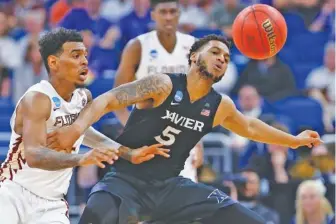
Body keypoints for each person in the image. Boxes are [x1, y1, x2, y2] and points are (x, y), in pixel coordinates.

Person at [48, 34, 322, 224]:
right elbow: (108, 99)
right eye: (215, 52)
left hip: (171, 187)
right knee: (95, 216)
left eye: (226, 57)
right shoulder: (162, 85)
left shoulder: (219, 104)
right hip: (125, 181)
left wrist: (293, 141)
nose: (221, 59)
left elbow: (249, 125)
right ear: (193, 57)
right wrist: (77, 128)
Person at [0, 28, 169, 224]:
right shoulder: (37, 98)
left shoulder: (82, 98)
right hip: (14, 193)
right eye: (76, 55)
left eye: (85, 55)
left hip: (51, 202)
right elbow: (34, 155)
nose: (84, 61)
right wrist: (81, 158)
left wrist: (127, 153)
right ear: (53, 62)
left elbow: (85, 132)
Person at [114, 0, 203, 181]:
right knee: (146, 205)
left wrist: (199, 142)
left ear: (180, 13)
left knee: (183, 204)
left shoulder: (193, 46)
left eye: (173, 11)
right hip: (145, 136)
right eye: (163, 12)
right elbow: (116, 98)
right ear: (153, 14)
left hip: (182, 137)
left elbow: (200, 99)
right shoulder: (137, 46)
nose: (168, 17)